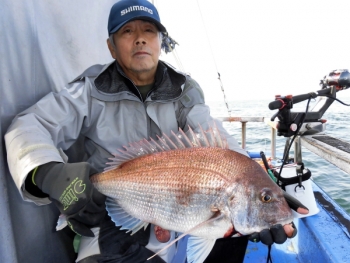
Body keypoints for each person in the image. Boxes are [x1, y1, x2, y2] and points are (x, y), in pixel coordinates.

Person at [5, 0, 307, 262]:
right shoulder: (88, 91)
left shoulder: (185, 90)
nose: (140, 40)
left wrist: (262, 188)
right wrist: (46, 172)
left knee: (235, 243)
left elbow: (217, 140)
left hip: (180, 211)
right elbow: (29, 125)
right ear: (111, 46)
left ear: (161, 41)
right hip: (109, 208)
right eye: (127, 31)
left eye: (149, 31)